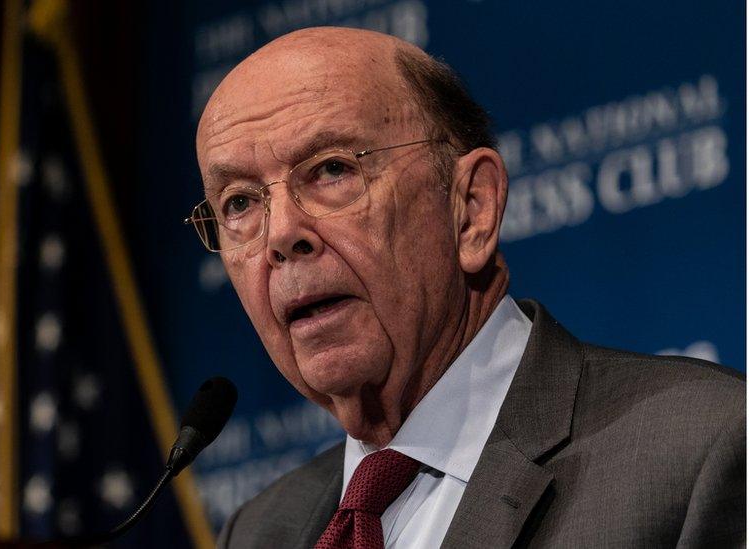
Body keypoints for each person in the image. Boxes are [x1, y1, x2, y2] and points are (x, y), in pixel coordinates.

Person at [186, 26, 745, 548]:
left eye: (332, 170)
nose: (282, 235)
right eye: (238, 202)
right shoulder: (260, 531)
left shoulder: (707, 448)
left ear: (471, 210)